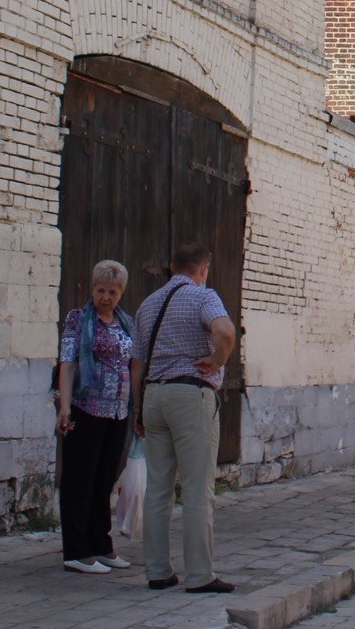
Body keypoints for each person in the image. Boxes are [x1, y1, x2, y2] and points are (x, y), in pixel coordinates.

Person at [130, 242, 237, 594]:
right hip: (190, 394)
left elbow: (138, 364)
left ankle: (158, 571)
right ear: (203, 269)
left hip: (154, 396)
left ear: (172, 267)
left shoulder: (148, 305)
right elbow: (225, 332)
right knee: (196, 488)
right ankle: (200, 575)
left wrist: (138, 407)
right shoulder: (202, 297)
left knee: (158, 487)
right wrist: (218, 362)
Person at [56, 260, 136, 574]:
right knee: (80, 480)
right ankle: (76, 550)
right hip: (85, 409)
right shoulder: (79, 319)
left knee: (104, 480)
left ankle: (100, 544)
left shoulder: (125, 322)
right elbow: (68, 363)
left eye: (112, 292)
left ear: (121, 293)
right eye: (101, 290)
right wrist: (65, 406)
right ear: (92, 289)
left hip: (117, 411)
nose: (106, 297)